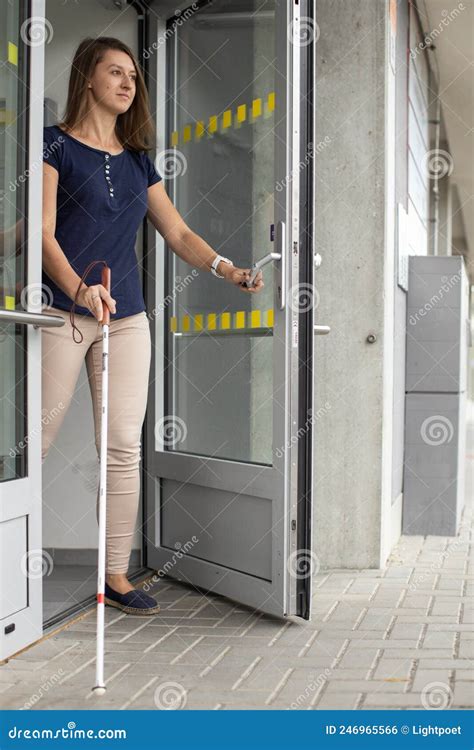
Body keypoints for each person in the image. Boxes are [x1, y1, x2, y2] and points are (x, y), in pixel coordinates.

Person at [41, 36, 264, 616]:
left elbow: (180, 234)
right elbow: (42, 234)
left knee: (121, 450)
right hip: (64, 313)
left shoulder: (139, 160)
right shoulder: (53, 146)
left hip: (127, 319)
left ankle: (114, 575)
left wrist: (226, 268)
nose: (126, 83)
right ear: (87, 77)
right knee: (30, 445)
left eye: (133, 77)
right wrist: (79, 288)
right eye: (114, 72)